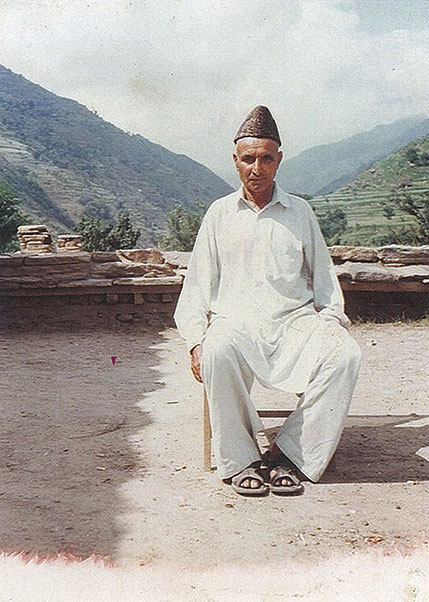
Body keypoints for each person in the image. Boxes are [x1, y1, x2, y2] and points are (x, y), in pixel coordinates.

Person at [174, 106, 362, 496]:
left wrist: (330, 322)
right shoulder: (219, 214)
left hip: (295, 324)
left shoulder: (300, 212)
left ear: (279, 159)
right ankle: (243, 460)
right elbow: (195, 289)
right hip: (236, 323)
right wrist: (195, 342)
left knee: (344, 354)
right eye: (248, 159)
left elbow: (325, 282)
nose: (256, 168)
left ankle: (287, 453)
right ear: (235, 161)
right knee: (216, 349)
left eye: (266, 159)